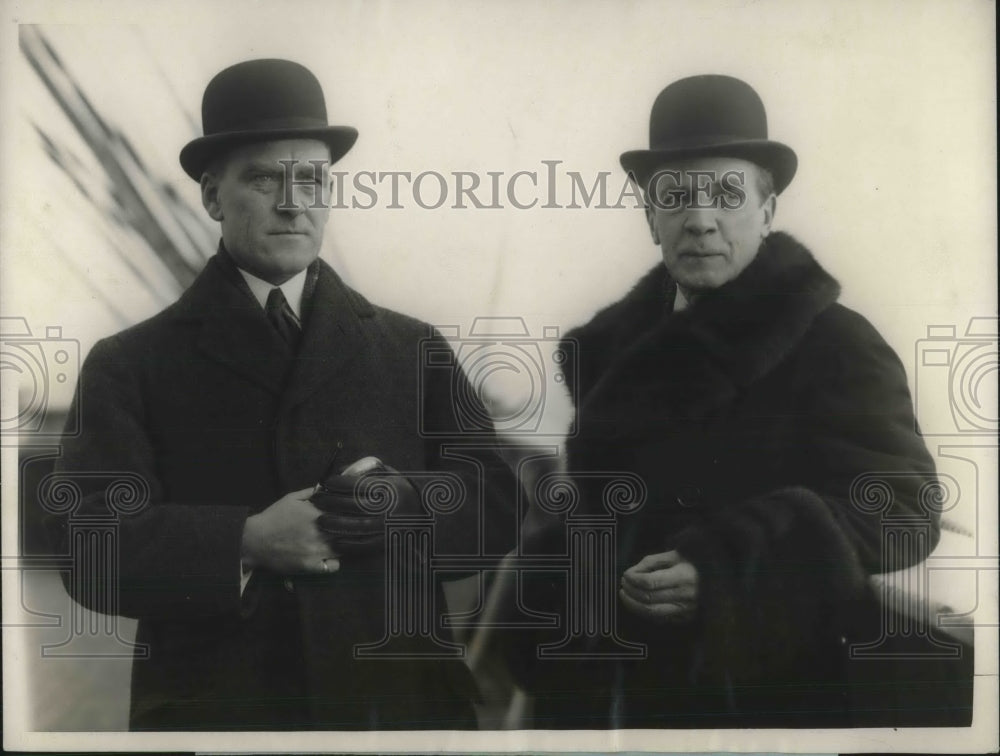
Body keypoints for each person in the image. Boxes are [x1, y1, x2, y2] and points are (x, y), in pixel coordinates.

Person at [47, 58, 517, 731]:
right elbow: (83, 544)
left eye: (314, 180)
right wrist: (242, 541)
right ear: (212, 196)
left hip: (401, 714)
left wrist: (404, 506)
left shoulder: (412, 348)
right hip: (222, 720)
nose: (294, 201)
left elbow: (497, 501)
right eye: (266, 178)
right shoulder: (130, 364)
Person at [509, 74, 963, 728]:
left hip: (764, 701)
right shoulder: (620, 347)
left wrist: (726, 571)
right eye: (676, 195)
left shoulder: (834, 343)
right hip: (617, 695)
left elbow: (905, 512)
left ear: (768, 210)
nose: (701, 218)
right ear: (649, 214)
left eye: (726, 193)